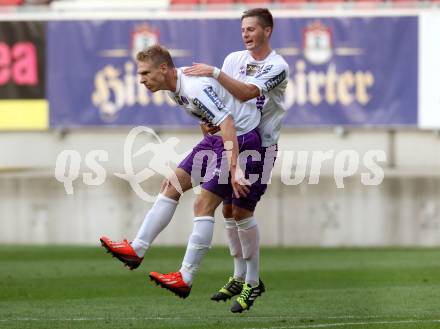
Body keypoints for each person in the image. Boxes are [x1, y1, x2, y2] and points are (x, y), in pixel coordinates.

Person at [100, 44, 262, 300]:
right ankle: (137, 250)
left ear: (163, 69)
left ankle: (186, 276)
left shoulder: (193, 87)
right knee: (171, 185)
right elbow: (209, 118)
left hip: (239, 140)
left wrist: (234, 168)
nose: (141, 80)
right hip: (218, 139)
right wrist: (206, 134)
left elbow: (228, 122)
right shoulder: (175, 89)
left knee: (202, 204)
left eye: (145, 73)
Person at [183, 7, 289, 313]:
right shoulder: (233, 59)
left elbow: (244, 94)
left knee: (242, 211)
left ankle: (253, 284)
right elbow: (221, 100)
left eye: (251, 29)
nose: (245, 34)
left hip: (261, 145)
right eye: (243, 29)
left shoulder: (277, 65)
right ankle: (239, 275)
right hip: (234, 142)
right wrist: (208, 121)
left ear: (267, 31)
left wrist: (214, 72)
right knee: (229, 210)